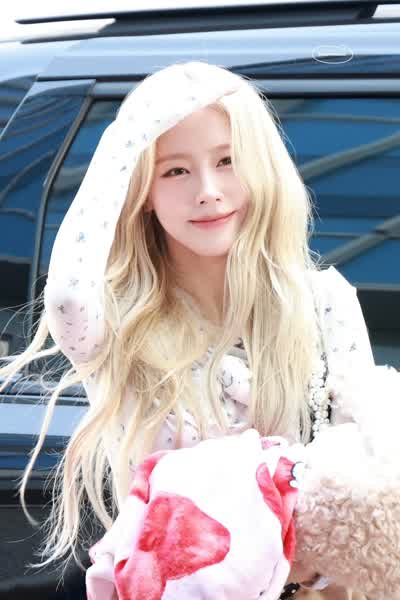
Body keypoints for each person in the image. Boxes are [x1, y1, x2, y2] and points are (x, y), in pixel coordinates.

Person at [0, 61, 376, 599]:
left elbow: (364, 482)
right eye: (175, 171)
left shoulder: (323, 301)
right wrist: (130, 134)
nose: (208, 190)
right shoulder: (122, 324)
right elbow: (66, 297)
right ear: (141, 191)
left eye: (228, 160)